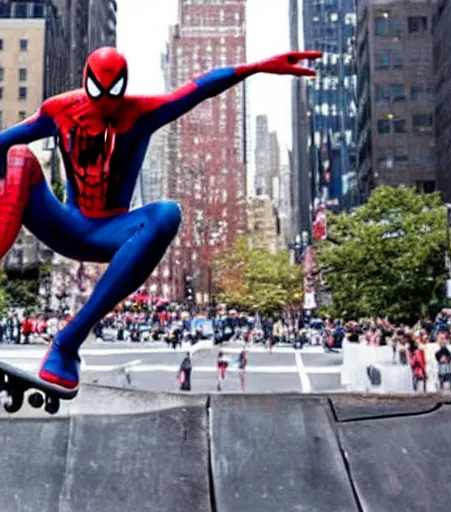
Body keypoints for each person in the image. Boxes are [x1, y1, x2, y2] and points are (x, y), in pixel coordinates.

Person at [0, 46, 321, 391]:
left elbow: (197, 89)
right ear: (86, 83)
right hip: (65, 222)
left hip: (112, 230)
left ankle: (67, 343)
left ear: (124, 86)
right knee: (18, 157)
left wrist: (254, 67)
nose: (106, 102)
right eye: (98, 91)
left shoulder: (141, 112)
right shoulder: (59, 111)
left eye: (114, 91)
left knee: (167, 213)